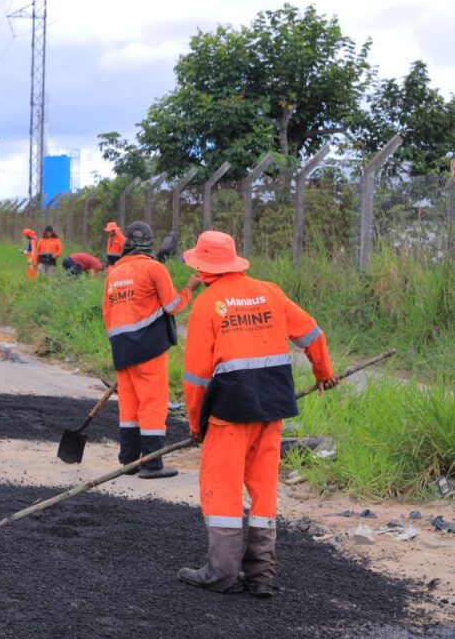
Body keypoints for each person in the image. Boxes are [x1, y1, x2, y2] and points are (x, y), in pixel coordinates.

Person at [179, 230, 336, 598]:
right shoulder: (270, 292)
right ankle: (261, 574)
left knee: (222, 490)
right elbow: (313, 334)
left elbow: (196, 377)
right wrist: (323, 373)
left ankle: (221, 573)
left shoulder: (207, 304)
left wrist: (196, 424)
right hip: (271, 408)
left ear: (204, 268)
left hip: (229, 415)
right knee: (264, 489)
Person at [102, 220, 201, 478]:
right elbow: (173, 306)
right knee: (153, 404)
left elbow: (107, 316)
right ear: (149, 244)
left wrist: (122, 350)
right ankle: (152, 464)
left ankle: (129, 461)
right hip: (148, 349)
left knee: (129, 406)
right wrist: (189, 289)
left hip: (122, 350)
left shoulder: (113, 274)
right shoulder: (154, 268)